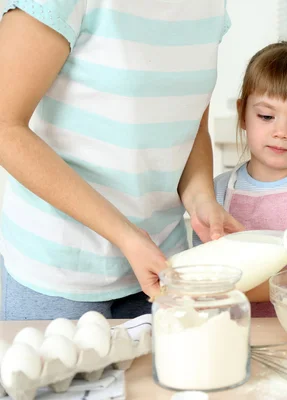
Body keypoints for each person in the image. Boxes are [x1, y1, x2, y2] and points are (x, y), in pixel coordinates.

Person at [0, 0, 243, 320]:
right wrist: (126, 236)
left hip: (162, 268)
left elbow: (190, 124)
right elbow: (5, 127)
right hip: (60, 272)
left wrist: (202, 201)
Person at [192, 37, 287, 317]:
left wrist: (227, 291)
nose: (282, 132)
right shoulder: (217, 190)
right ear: (242, 114)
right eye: (266, 116)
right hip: (227, 328)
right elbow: (200, 265)